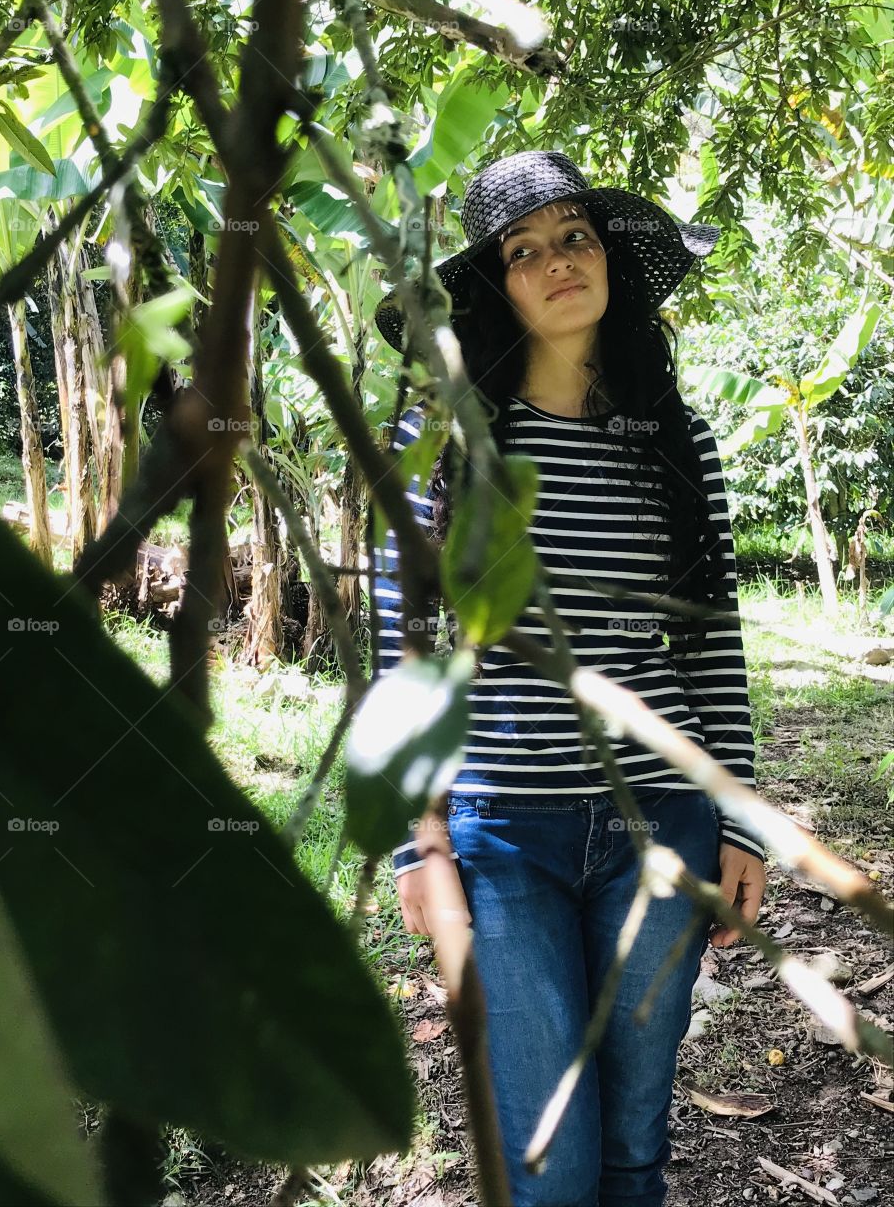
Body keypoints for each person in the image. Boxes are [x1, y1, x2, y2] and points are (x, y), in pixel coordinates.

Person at [370, 151, 767, 1207]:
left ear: (609, 262)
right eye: (524, 249)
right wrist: (421, 845)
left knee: (634, 1147)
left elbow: (710, 645)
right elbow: (402, 650)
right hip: (504, 836)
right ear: (494, 289)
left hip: (662, 825)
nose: (557, 261)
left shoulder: (675, 439)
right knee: (551, 1164)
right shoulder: (440, 441)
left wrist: (740, 822)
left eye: (575, 236)